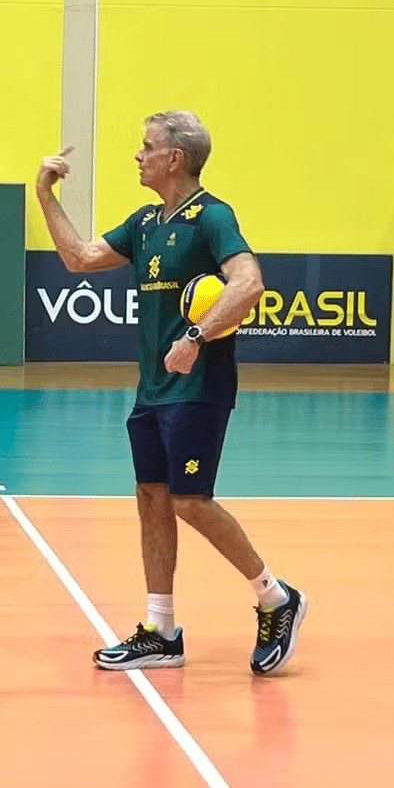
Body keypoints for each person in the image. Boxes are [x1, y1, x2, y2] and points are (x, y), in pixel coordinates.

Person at [35, 110, 307, 675]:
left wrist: (195, 336)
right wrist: (44, 195)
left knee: (190, 501)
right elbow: (79, 259)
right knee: (152, 499)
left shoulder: (212, 217)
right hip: (152, 391)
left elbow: (249, 284)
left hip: (198, 387)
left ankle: (276, 597)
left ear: (175, 158)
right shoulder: (144, 223)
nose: (138, 155)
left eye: (146, 147)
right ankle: (161, 630)